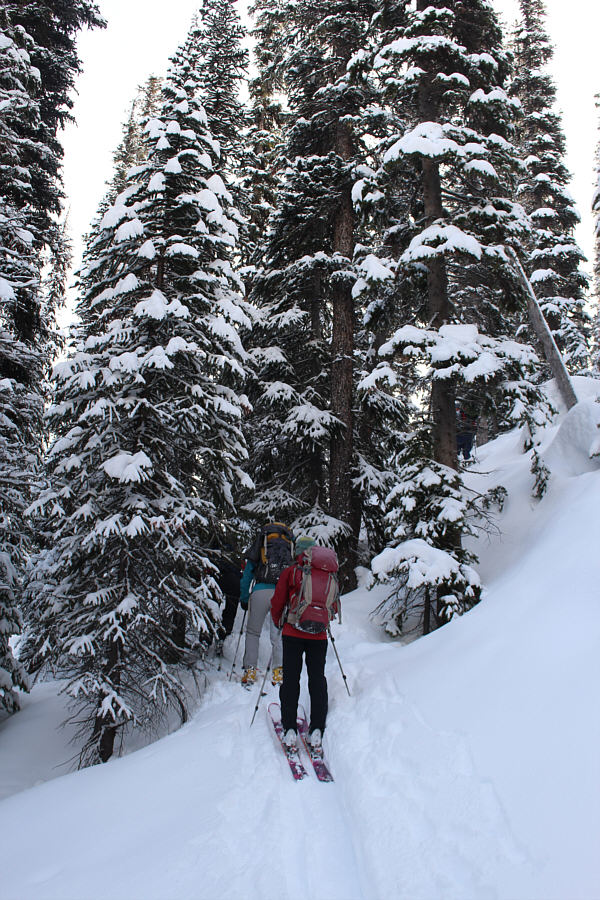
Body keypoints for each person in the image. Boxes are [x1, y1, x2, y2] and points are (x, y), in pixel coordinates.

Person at [270, 536, 336, 751]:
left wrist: (278, 621)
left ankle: (290, 730)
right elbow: (334, 605)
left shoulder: (291, 572)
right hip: (319, 635)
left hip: (293, 632)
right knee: (317, 679)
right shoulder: (327, 574)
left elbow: (277, 601)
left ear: (297, 551)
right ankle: (316, 729)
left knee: (291, 679)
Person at [239, 522, 295, 687]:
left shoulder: (262, 541)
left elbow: (248, 572)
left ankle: (250, 670)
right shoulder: (289, 543)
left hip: (260, 591)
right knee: (277, 633)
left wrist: (244, 598)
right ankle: (278, 671)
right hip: (281, 593)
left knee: (253, 632)